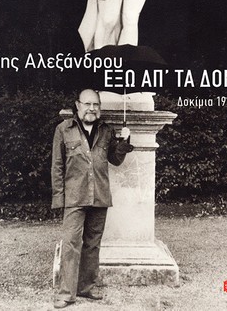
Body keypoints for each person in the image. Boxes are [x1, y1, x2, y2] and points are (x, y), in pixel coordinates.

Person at [50, 88, 134, 308]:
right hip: (74, 197)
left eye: (96, 104)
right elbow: (57, 166)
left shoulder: (107, 131)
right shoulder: (63, 129)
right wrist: (59, 198)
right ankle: (66, 293)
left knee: (93, 244)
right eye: (87, 104)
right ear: (78, 105)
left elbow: (115, 160)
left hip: (99, 195)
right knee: (71, 244)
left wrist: (124, 141)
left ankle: (86, 287)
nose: (92, 108)